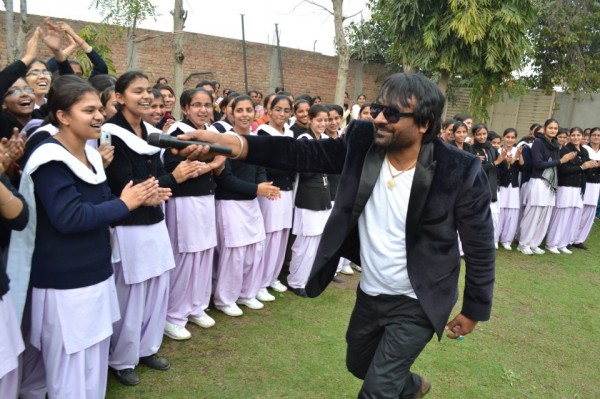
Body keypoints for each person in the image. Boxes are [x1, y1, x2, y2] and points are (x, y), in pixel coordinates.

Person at [177, 73, 495, 398]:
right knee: (359, 365)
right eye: (378, 108)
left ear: (424, 124)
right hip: (372, 291)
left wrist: (474, 308)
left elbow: (480, 246)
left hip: (418, 298)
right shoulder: (362, 141)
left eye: (393, 114)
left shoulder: (459, 170)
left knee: (377, 391)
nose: (379, 119)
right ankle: (411, 386)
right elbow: (301, 154)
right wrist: (236, 144)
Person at [9, 78, 162, 399]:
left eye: (98, 110)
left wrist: (134, 199)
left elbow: (104, 202)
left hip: (96, 273)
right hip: (64, 282)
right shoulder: (50, 159)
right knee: (69, 370)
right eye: (88, 110)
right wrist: (124, 203)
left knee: (93, 363)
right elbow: (69, 218)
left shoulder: (92, 156)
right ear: (63, 116)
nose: (98, 117)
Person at [103, 71, 198, 386]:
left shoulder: (149, 132)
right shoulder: (110, 132)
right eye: (137, 91)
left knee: (157, 288)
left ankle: (147, 348)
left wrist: (166, 184)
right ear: (119, 97)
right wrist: (171, 181)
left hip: (154, 220)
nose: (146, 96)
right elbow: (121, 182)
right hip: (127, 225)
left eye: (148, 91)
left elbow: (157, 176)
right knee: (131, 294)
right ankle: (121, 358)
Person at [161, 88, 224, 339]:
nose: (203, 110)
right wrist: (213, 163)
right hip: (185, 201)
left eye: (207, 105)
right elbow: (177, 168)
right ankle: (174, 314)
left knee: (204, 252)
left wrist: (213, 164)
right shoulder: (177, 133)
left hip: (206, 198)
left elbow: (217, 165)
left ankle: (196, 306)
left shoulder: (213, 133)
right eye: (196, 105)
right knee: (185, 255)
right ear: (185, 108)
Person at [212, 95, 277, 316]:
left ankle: (246, 293)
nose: (245, 114)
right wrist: (257, 189)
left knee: (255, 249)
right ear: (231, 113)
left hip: (251, 204)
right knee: (234, 254)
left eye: (249, 110)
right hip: (230, 203)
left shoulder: (255, 140)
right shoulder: (225, 140)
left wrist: (263, 185)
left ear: (255, 113)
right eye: (239, 110)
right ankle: (225, 298)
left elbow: (260, 170)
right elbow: (226, 179)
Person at [255, 94, 296, 298]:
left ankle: (272, 278)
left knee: (282, 235)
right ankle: (260, 283)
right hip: (271, 190)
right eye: (277, 109)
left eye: (286, 110)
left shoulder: (289, 132)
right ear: (268, 111)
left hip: (287, 191)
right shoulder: (263, 133)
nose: (282, 114)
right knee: (269, 236)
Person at [518, 119, 576, 255]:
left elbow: (555, 165)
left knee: (545, 213)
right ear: (544, 129)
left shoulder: (555, 144)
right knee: (533, 213)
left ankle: (534, 243)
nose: (553, 131)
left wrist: (563, 160)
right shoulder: (538, 142)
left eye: (555, 128)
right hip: (539, 181)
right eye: (550, 128)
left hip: (551, 183)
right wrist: (562, 160)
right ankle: (523, 243)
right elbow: (538, 164)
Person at [545, 127, 598, 254]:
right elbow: (562, 170)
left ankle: (563, 243)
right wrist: (581, 167)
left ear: (582, 137)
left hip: (579, 188)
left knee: (573, 216)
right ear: (569, 137)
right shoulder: (565, 150)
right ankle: (552, 243)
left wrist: (591, 166)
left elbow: (586, 170)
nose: (576, 137)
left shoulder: (584, 151)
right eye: (573, 135)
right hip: (566, 186)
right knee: (561, 215)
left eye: (578, 135)